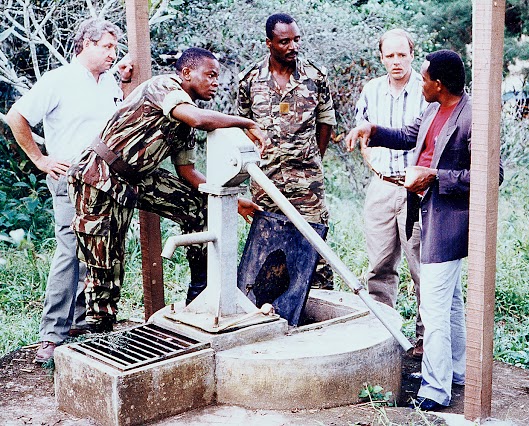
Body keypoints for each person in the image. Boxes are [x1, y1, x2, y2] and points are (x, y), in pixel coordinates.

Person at [67, 47, 267, 332]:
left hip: (138, 178)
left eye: (217, 77)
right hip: (99, 173)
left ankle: (201, 295)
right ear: (186, 73)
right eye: (210, 75)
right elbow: (197, 119)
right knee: (105, 261)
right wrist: (247, 122)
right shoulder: (164, 87)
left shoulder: (186, 123)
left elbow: (188, 172)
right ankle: (99, 330)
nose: (215, 82)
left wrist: (229, 199)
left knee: (198, 206)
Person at [346, 49, 503, 410]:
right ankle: (458, 371)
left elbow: (492, 176)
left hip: (449, 224)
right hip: (426, 217)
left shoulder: (472, 117)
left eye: (425, 78)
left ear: (440, 84)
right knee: (449, 303)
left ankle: (435, 389)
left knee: (433, 308)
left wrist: (435, 176)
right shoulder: (433, 109)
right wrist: (373, 129)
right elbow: (406, 134)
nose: (420, 81)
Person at [5, 18, 133, 363]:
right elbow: (16, 117)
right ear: (85, 44)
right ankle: (51, 335)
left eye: (114, 46)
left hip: (105, 179)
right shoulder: (58, 80)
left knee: (97, 248)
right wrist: (40, 159)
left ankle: (79, 323)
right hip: (70, 177)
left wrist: (119, 75)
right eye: (106, 46)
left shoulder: (107, 82)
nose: (113, 52)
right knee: (69, 249)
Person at [237, 13, 337, 289]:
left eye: (296, 40)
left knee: (314, 248)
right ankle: (267, 311)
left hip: (306, 181)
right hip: (265, 181)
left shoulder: (315, 77)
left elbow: (325, 121)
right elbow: (241, 124)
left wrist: (314, 157)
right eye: (284, 42)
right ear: (269, 43)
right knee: (268, 250)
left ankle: (321, 310)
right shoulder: (248, 80)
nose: (293, 46)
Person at [353, 29, 428, 358]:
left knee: (423, 267)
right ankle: (383, 335)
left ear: (412, 54)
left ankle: (428, 339)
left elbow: (430, 138)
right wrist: (375, 166)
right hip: (382, 186)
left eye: (402, 55)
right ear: (381, 57)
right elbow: (362, 132)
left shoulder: (426, 89)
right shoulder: (372, 90)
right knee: (380, 265)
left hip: (418, 190)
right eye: (389, 56)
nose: (396, 62)